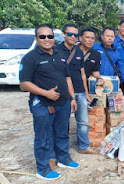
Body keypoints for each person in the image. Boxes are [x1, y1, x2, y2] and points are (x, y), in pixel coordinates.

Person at [19, 25, 80, 180]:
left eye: (50, 36)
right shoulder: (30, 58)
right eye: (42, 37)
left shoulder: (60, 54)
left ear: (54, 38)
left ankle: (64, 159)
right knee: (43, 137)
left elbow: (67, 78)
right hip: (42, 105)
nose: (47, 40)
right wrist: (46, 93)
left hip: (64, 102)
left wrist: (72, 98)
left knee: (62, 133)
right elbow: (24, 83)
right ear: (36, 38)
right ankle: (43, 169)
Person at [55, 24, 99, 155]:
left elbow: (83, 74)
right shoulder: (56, 50)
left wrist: (86, 92)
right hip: (64, 92)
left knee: (83, 121)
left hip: (79, 91)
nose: (72, 37)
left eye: (74, 35)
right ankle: (61, 150)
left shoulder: (78, 51)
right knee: (62, 123)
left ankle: (84, 146)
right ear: (64, 34)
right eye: (70, 34)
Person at [92, 27, 124, 95]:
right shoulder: (94, 47)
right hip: (95, 81)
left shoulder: (116, 53)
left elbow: (121, 68)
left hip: (109, 83)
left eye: (112, 36)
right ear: (102, 36)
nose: (110, 38)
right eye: (107, 36)